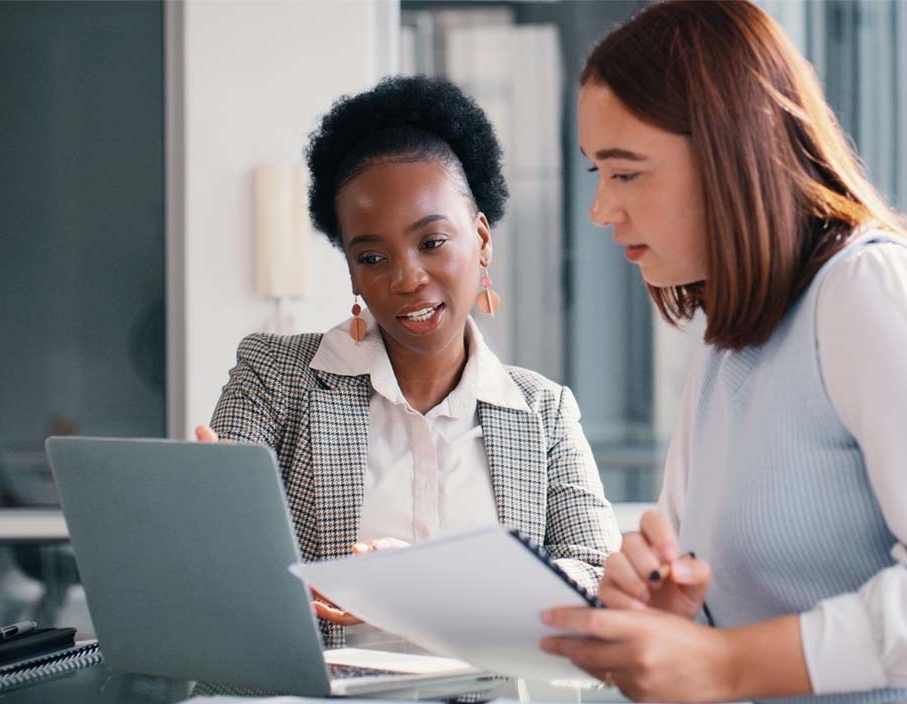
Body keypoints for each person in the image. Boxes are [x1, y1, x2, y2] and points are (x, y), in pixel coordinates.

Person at [539, 2, 907, 702]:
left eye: (627, 172)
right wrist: (676, 617)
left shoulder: (872, 292)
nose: (602, 210)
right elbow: (738, 610)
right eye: (597, 174)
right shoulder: (731, 341)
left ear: (730, 151)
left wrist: (726, 662)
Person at [198, 75, 620, 645]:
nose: (406, 278)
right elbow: (220, 568)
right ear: (351, 270)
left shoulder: (544, 413)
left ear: (481, 239)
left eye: (432, 242)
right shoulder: (275, 377)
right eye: (372, 256)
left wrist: (437, 582)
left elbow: (598, 576)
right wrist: (206, 519)